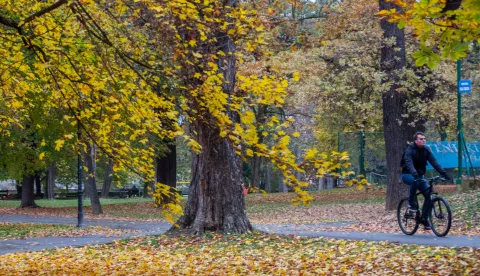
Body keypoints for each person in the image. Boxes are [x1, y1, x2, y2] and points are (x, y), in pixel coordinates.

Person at [401, 132, 451, 230]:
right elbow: (408, 163)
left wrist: (443, 173)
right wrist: (414, 173)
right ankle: (412, 204)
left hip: (419, 175)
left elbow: (434, 162)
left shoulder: (426, 150)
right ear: (416, 141)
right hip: (407, 175)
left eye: (424, 139)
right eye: (421, 139)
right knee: (415, 181)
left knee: (429, 194)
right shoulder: (410, 150)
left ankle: (424, 218)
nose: (423, 140)